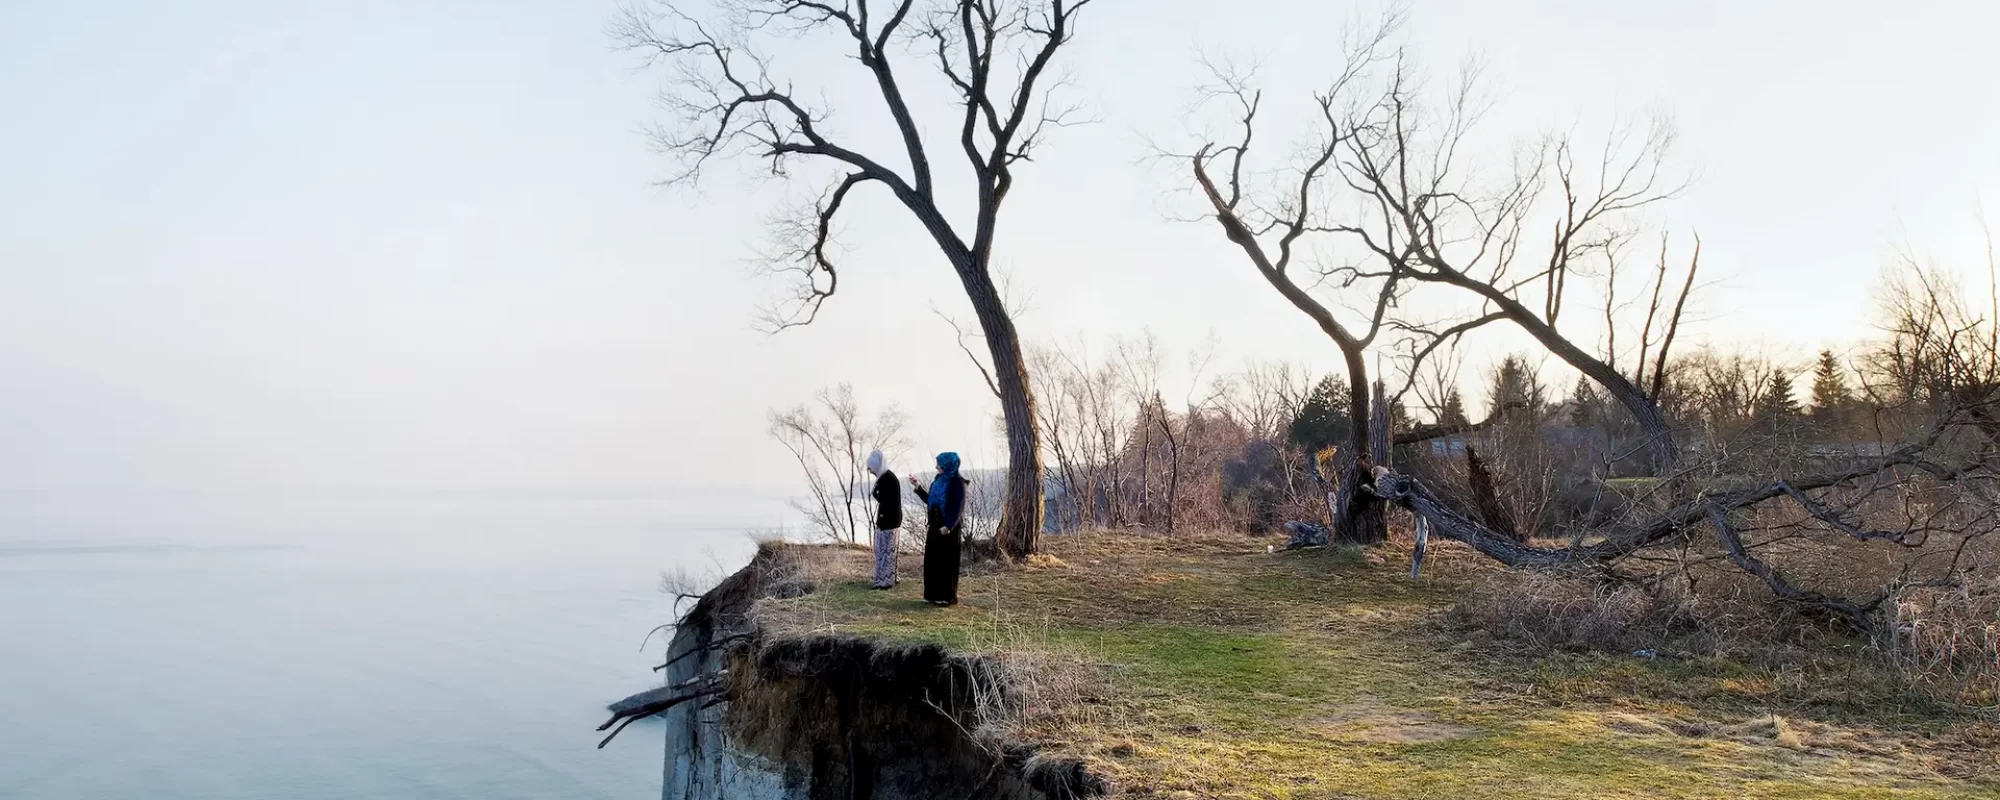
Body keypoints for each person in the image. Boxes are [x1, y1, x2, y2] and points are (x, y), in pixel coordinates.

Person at [908, 451, 966, 607]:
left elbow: (957, 507)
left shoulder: (957, 483)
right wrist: (918, 487)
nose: (936, 467)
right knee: (932, 562)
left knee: (946, 563)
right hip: (934, 528)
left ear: (947, 465)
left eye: (939, 464)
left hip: (948, 530)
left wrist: (948, 526)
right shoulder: (938, 481)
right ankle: (931, 594)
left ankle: (946, 597)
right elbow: (931, 501)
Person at [865, 449, 901, 590]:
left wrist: (876, 493)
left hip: (889, 520)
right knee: (884, 551)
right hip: (887, 519)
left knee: (886, 552)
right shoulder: (885, 478)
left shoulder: (889, 479)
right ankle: (887, 578)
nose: (870, 472)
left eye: (871, 469)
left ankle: (885, 581)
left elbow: (885, 499)